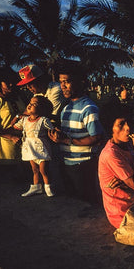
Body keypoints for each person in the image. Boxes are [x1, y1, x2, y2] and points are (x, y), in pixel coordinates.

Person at [49, 63, 104, 203]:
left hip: (83, 166)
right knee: (73, 204)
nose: (63, 86)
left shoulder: (89, 108)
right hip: (67, 164)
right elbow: (69, 133)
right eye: (61, 82)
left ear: (81, 82)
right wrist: (58, 134)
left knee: (87, 203)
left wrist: (66, 141)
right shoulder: (66, 107)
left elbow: (96, 138)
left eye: (67, 82)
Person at [98, 103, 134, 228]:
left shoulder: (128, 145)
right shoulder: (111, 153)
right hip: (121, 215)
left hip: (133, 203)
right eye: (121, 124)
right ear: (110, 127)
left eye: (130, 122)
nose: (128, 128)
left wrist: (127, 183)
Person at [10, 95, 56, 197]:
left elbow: (52, 130)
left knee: (43, 170)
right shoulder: (24, 120)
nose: (30, 105)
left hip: (41, 149)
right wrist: (17, 116)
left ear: (41, 109)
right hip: (30, 148)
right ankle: (36, 187)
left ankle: (48, 187)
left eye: (34, 104)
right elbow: (13, 126)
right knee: (34, 170)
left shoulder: (43, 120)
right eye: (30, 103)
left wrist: (55, 136)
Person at [0, 75, 26, 162]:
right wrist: (11, 137)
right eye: (7, 83)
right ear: (0, 85)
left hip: (25, 142)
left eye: (12, 81)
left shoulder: (20, 98)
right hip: (7, 146)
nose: (11, 84)